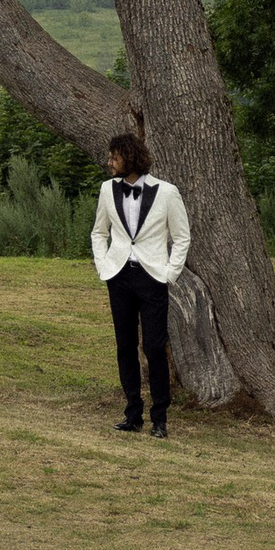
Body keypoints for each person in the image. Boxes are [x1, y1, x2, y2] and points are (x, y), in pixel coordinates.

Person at [90, 127, 189, 434]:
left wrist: (169, 274)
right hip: (119, 276)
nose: (110, 162)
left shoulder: (167, 192)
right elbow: (99, 232)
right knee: (125, 345)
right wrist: (104, 265)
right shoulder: (108, 190)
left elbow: (182, 238)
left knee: (155, 347)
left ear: (129, 156)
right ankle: (133, 414)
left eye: (114, 156)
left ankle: (160, 418)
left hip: (152, 278)